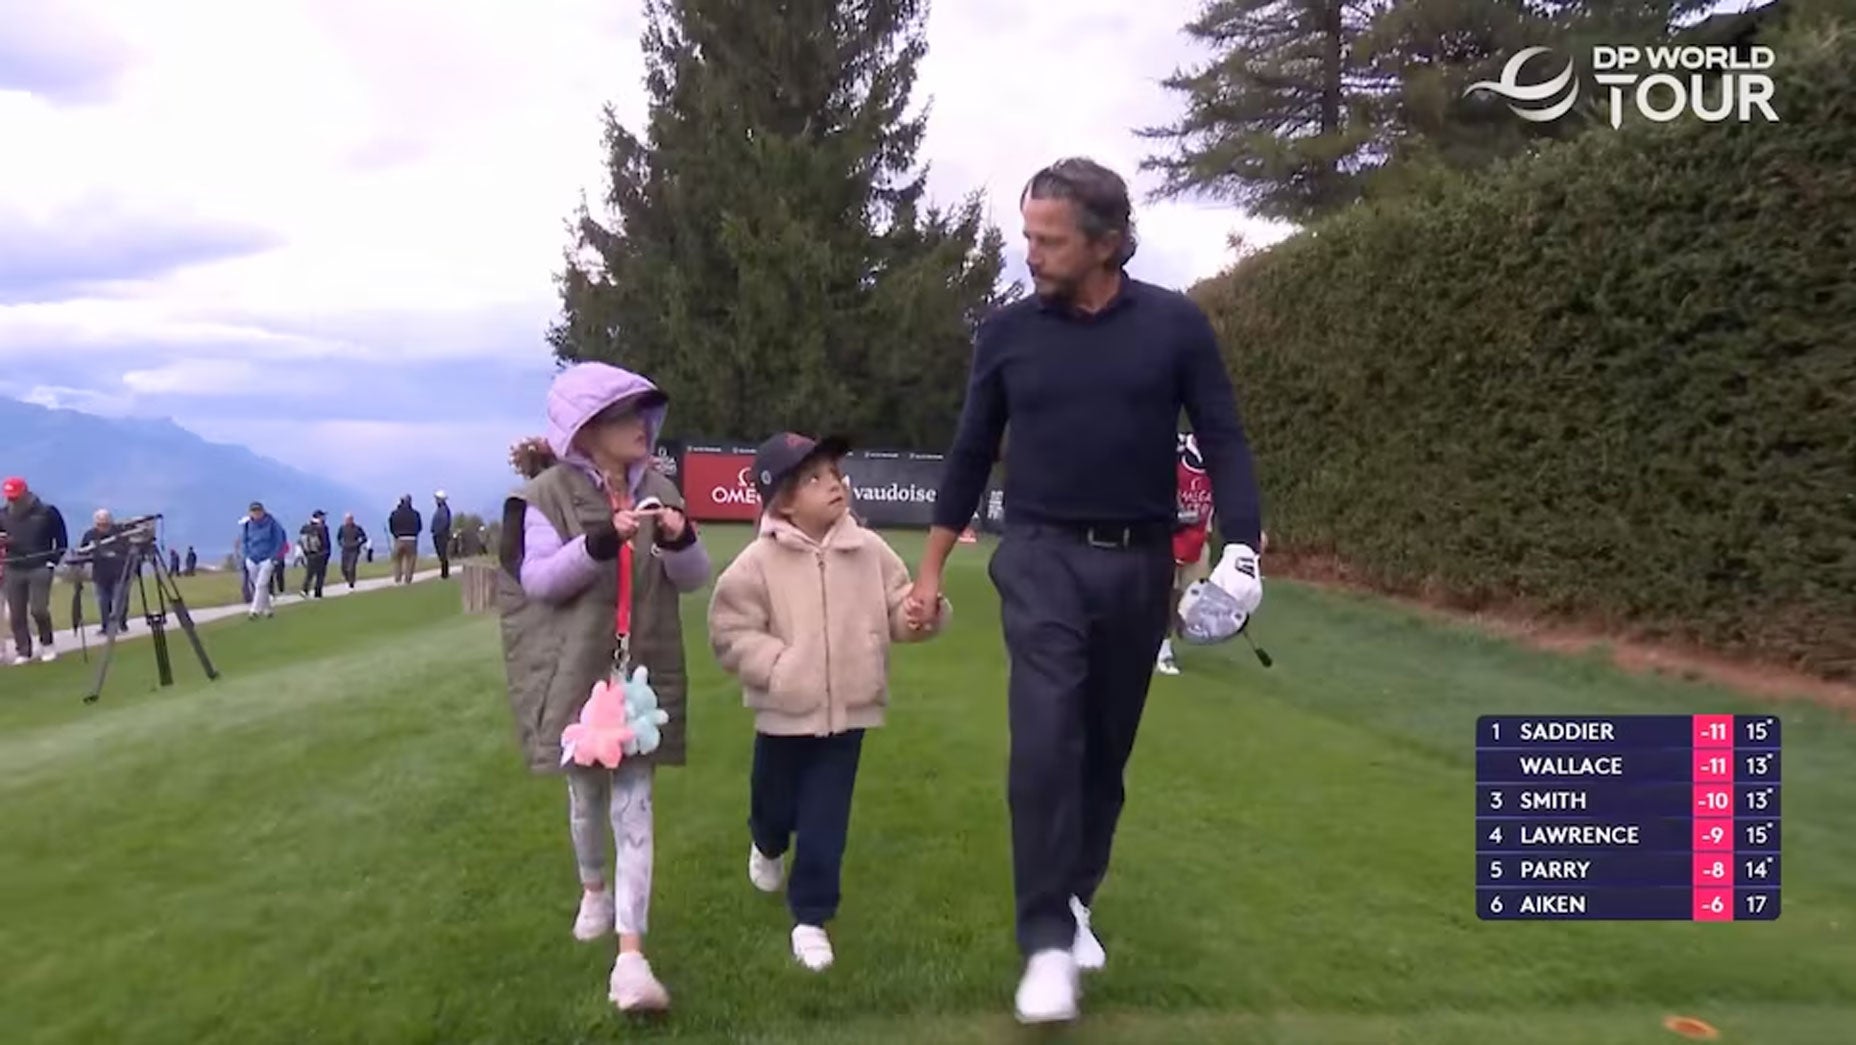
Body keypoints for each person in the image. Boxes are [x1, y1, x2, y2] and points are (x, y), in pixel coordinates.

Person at [903, 158, 1266, 1024]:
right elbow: (969, 450)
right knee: (1044, 740)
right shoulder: (1006, 333)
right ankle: (1044, 942)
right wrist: (931, 566)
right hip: (1040, 558)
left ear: (1106, 242)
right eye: (1027, 234)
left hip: (1139, 568)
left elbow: (1224, 436)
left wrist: (1243, 550)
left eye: (1049, 239)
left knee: (1103, 754)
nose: (1030, 252)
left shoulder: (1176, 326)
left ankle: (1073, 900)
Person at [494, 362, 711, 1013]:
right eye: (624, 415)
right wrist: (599, 541)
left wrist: (681, 538)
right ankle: (593, 888)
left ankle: (631, 959)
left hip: (641, 673)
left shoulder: (661, 488)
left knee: (636, 804)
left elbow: (692, 578)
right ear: (586, 430)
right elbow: (539, 581)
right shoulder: (545, 496)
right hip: (575, 672)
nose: (642, 425)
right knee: (587, 796)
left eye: (645, 411)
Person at [708, 432, 948, 972]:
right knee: (772, 807)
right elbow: (730, 632)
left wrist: (916, 616)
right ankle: (767, 843)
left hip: (850, 714)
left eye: (834, 473)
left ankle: (811, 918)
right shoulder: (755, 563)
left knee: (825, 821)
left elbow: (897, 606)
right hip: (783, 715)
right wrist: (779, 669)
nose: (834, 484)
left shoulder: (869, 550)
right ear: (784, 502)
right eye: (814, 479)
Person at [1158, 433, 1214, 676]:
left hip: (1198, 540)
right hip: (1168, 537)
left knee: (1192, 600)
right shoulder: (1177, 454)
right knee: (1166, 596)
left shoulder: (1220, 458)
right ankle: (1163, 650)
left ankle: (1159, 637)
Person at [1, 477, 69, 664]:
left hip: (39, 566)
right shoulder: (3, 514)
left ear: (25, 492)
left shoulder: (47, 512)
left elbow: (61, 540)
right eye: (9, 496)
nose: (12, 499)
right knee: (16, 614)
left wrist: (53, 560)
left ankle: (47, 644)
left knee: (38, 609)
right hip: (14, 567)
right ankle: (23, 651)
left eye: (15, 496)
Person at [77, 509, 131, 636]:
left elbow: (127, 550)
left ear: (110, 522)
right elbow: (83, 551)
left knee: (119, 600)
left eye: (105, 524)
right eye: (99, 524)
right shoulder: (90, 535)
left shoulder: (120, 533)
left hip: (120, 573)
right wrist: (80, 565)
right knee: (103, 601)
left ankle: (119, 623)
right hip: (100, 574)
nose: (102, 527)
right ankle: (106, 626)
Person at [240, 502, 287, 619]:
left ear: (263, 511)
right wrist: (246, 555)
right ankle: (267, 609)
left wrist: (274, 557)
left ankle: (254, 610)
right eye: (254, 511)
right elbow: (244, 541)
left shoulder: (272, 523)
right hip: (252, 558)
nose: (256, 514)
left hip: (267, 558)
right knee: (258, 585)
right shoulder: (247, 525)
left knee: (261, 583)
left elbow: (279, 540)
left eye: (258, 511)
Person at [388, 495, 422, 584]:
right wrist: (414, 533)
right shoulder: (415, 514)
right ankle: (408, 579)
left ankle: (398, 579)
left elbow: (391, 525)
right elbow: (419, 527)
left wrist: (395, 534)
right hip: (412, 539)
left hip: (399, 538)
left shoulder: (395, 513)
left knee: (397, 559)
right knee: (411, 559)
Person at [299, 511, 333, 598]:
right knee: (320, 575)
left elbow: (301, 542)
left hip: (309, 554)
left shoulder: (306, 528)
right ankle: (318, 593)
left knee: (309, 573)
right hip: (321, 553)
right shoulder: (323, 528)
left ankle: (304, 589)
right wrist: (327, 552)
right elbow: (326, 542)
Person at [336, 513, 368, 589]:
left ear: (352, 519)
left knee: (351, 567)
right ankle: (347, 579)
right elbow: (338, 538)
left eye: (350, 519)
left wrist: (358, 543)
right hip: (345, 549)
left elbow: (364, 538)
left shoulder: (357, 528)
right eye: (347, 519)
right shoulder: (342, 528)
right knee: (343, 567)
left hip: (354, 550)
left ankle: (351, 583)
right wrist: (341, 544)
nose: (348, 520)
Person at [431, 490, 454, 580]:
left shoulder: (443, 510)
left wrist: (438, 531)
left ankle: (444, 574)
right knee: (441, 555)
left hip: (441, 535)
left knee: (443, 554)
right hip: (439, 534)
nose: (436, 501)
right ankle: (444, 573)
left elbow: (444, 523)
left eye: (437, 499)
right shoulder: (441, 509)